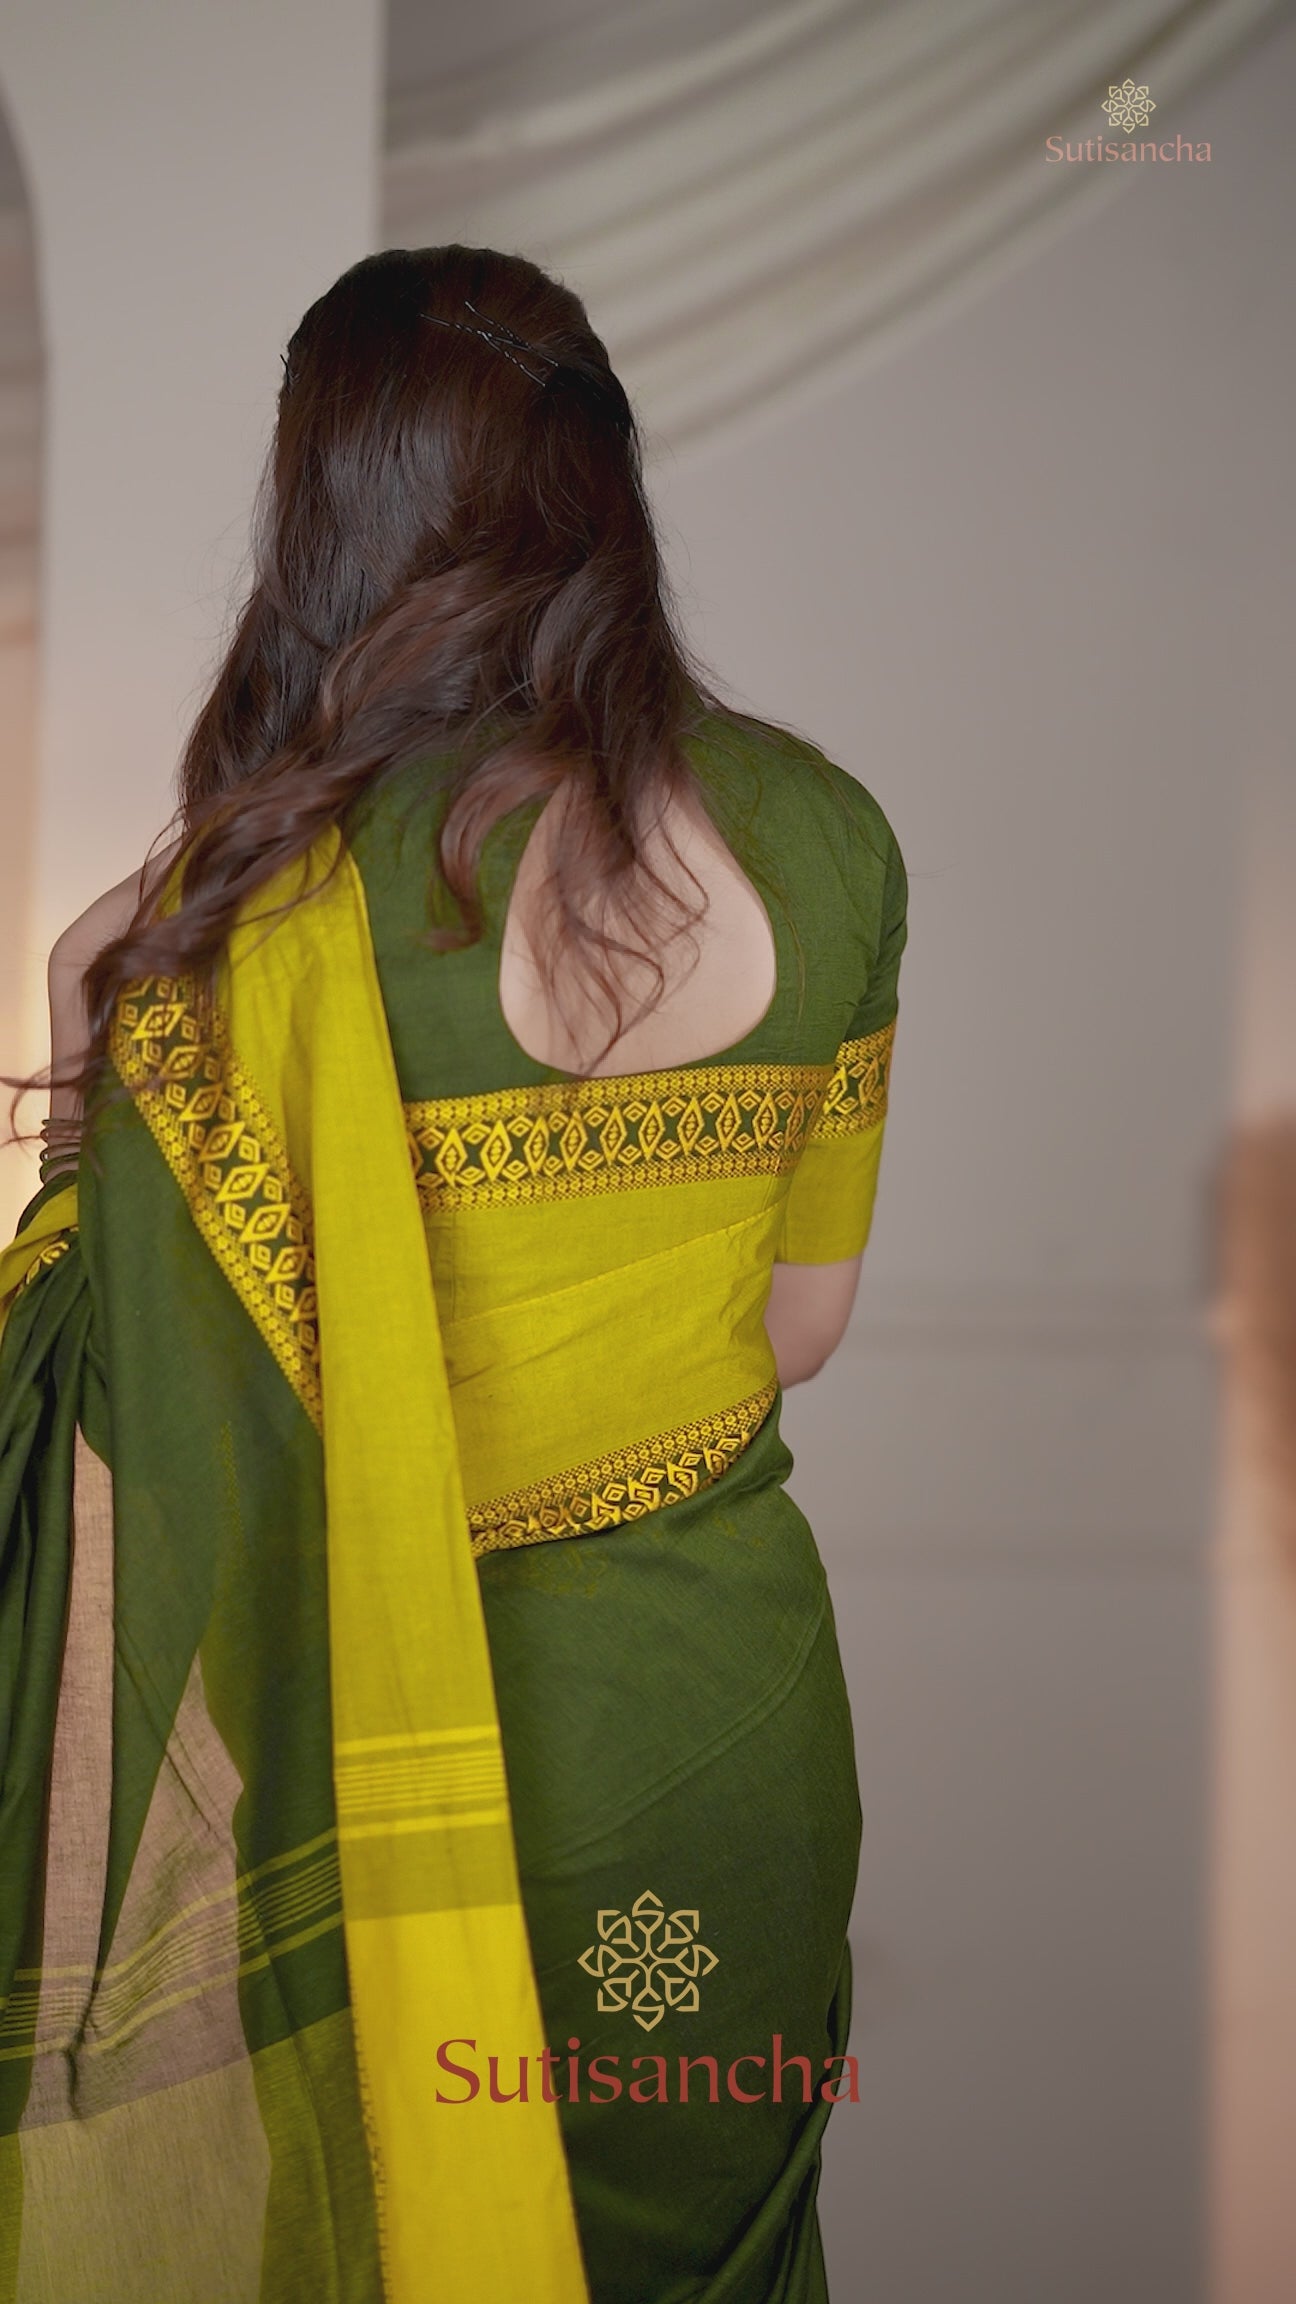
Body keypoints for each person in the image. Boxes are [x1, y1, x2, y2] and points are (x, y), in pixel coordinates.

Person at [0, 245, 907, 2304]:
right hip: (718, 1722)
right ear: (605, 479)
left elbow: (132, 1402)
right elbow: (802, 1327)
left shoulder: (268, 894)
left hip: (383, 1754)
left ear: (331, 506)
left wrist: (95, 995)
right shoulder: (831, 836)